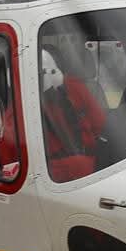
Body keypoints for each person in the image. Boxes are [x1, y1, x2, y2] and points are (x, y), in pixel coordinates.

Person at [38, 49, 107, 182]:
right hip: (80, 163)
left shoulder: (22, 99)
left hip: (70, 164)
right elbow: (99, 122)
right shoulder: (76, 86)